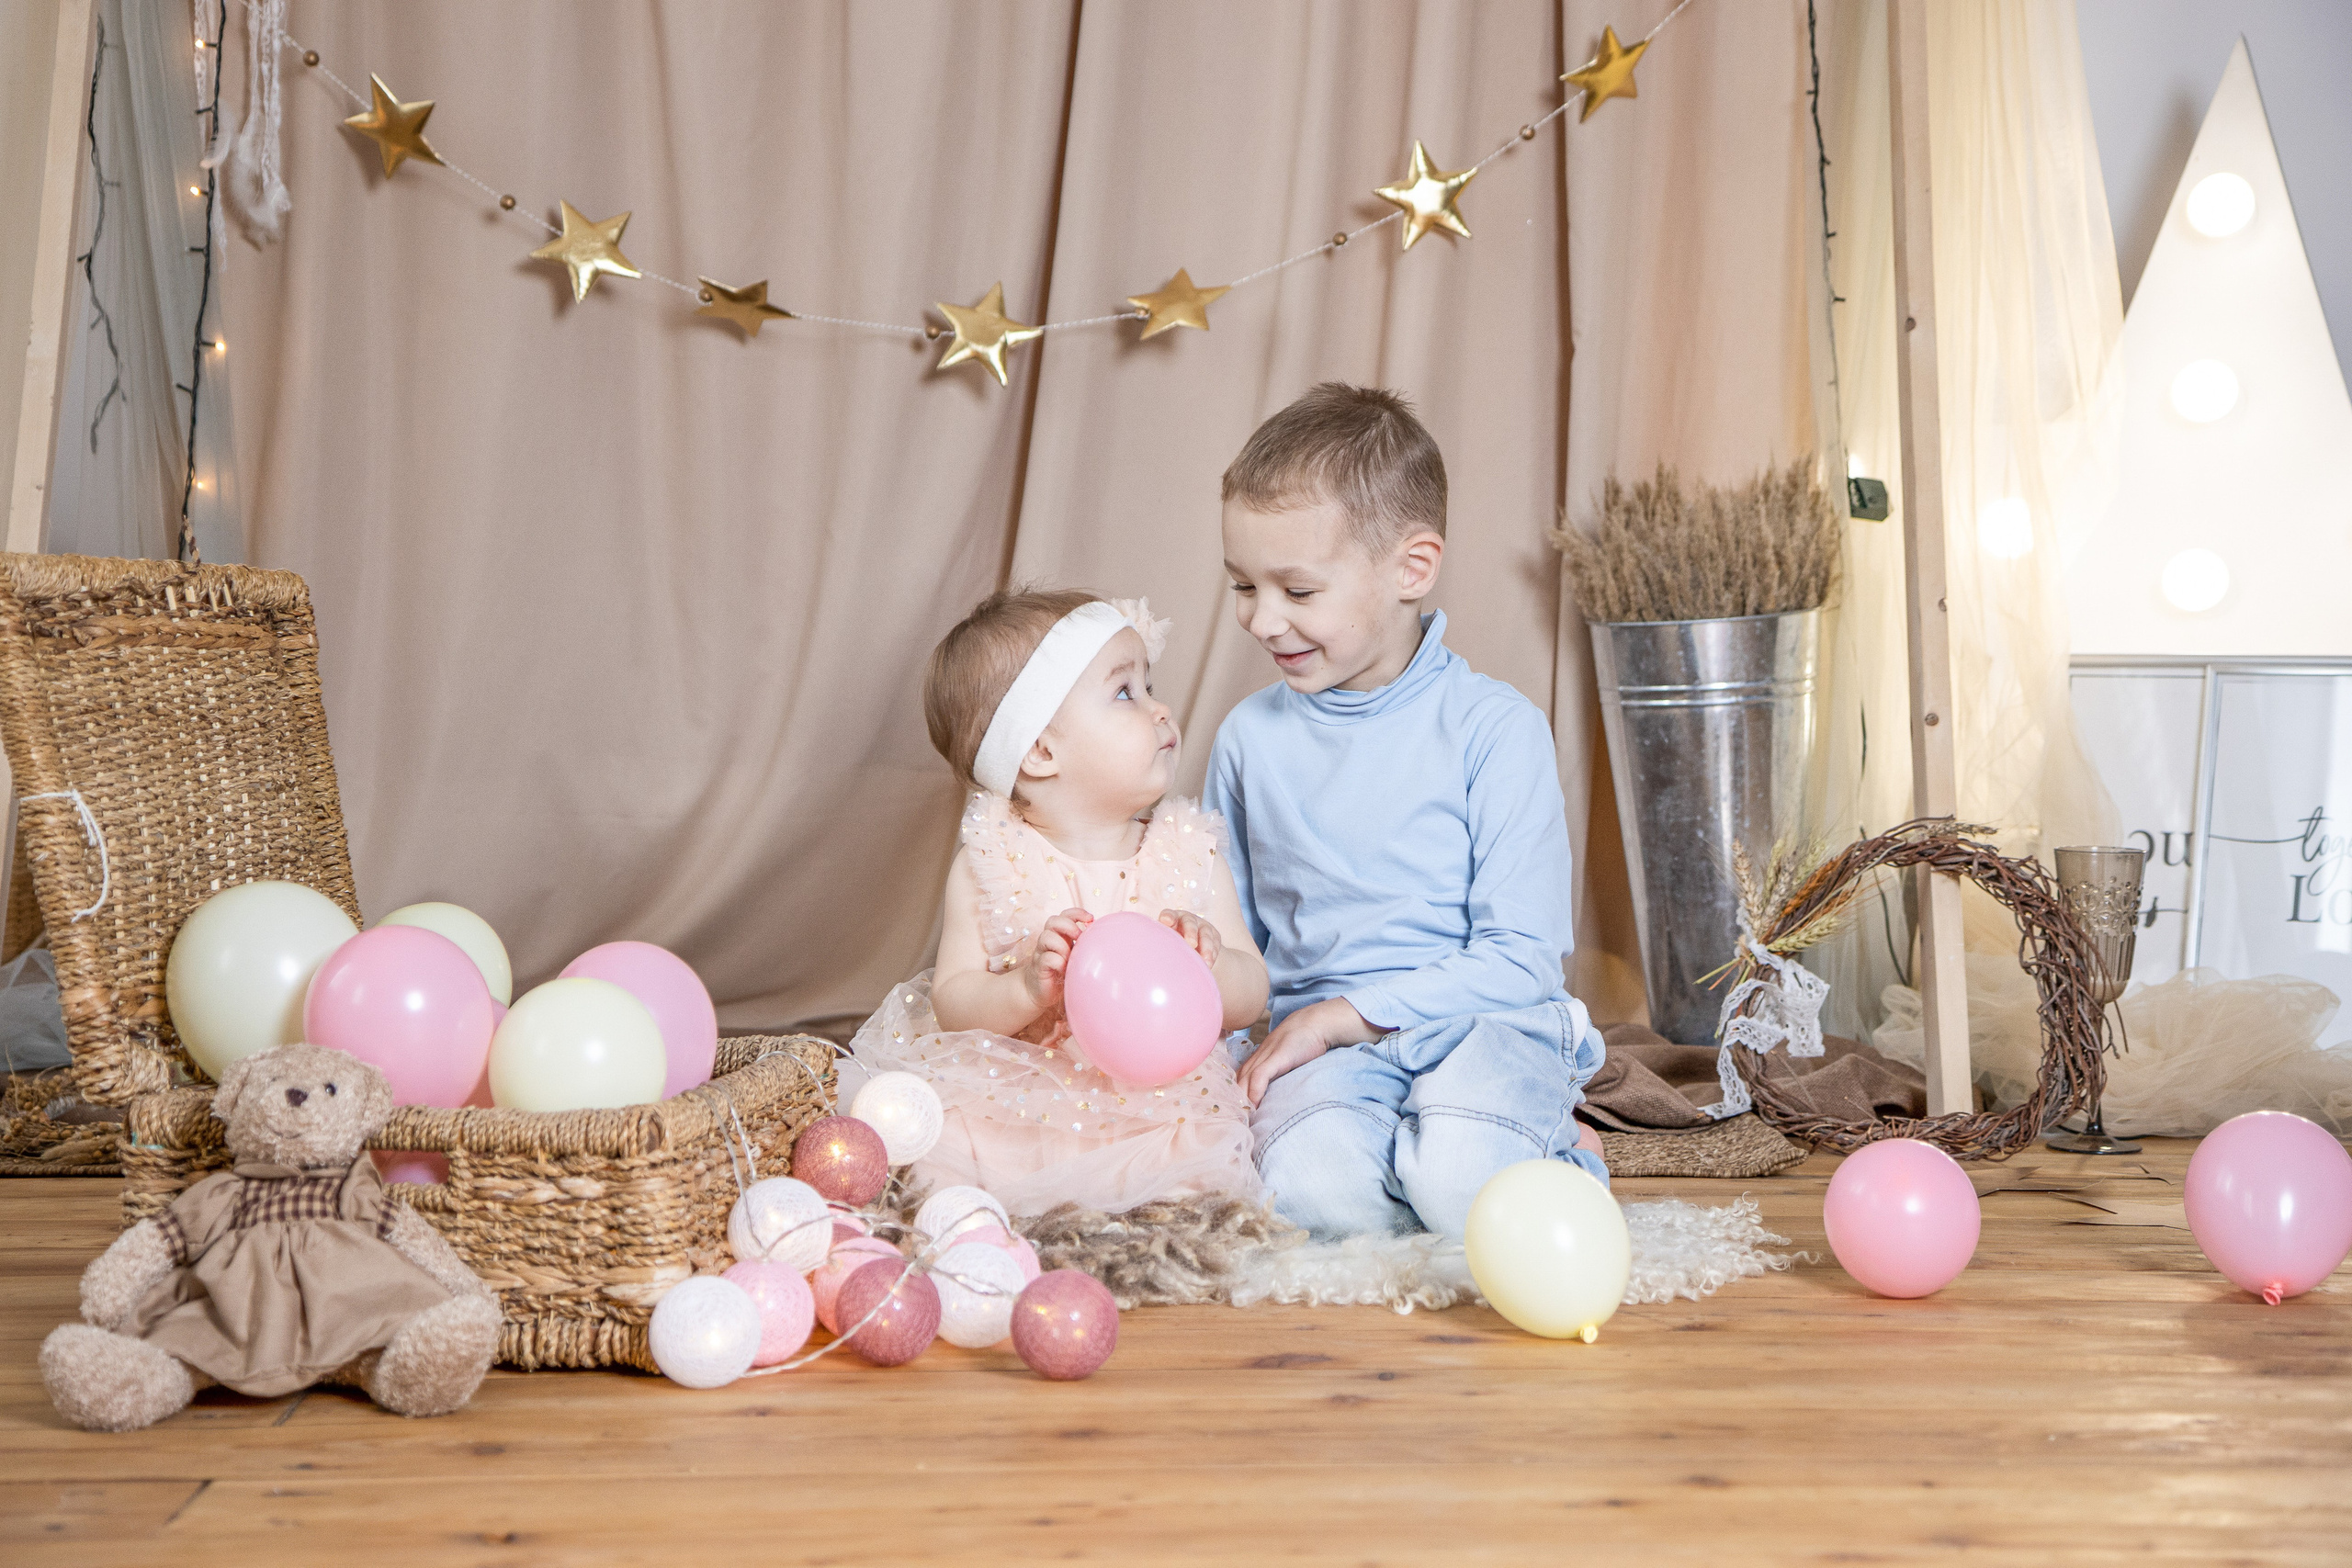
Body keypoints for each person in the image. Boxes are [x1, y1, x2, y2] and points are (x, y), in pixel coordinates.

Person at [1205, 382, 1608, 1239]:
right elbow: (1232, 942)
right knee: (1316, 1195)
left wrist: (1340, 1014)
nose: (1261, 618)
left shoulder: (1496, 728)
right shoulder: (1247, 739)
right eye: (1243, 584)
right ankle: (1426, 1165)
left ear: (1411, 569)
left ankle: (1560, 1152)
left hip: (1481, 1024)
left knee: (1465, 1182)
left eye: (1297, 591)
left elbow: (1522, 960)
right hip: (1327, 1048)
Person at [851, 589, 1269, 1216]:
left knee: (1194, 1170)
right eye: (1126, 692)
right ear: (1041, 751)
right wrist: (1026, 988)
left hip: (1155, 1101)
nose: (1162, 711)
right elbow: (954, 1000)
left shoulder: (1187, 854)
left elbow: (1253, 991)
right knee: (945, 1156)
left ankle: (1147, 1211)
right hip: (1019, 1096)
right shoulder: (993, 861)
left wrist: (1209, 961)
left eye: (1149, 686)